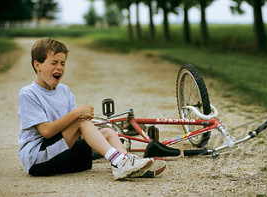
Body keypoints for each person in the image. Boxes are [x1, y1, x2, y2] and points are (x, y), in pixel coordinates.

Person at [17, 38, 166, 180]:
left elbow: (75, 131)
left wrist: (89, 129)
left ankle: (127, 162)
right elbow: (47, 132)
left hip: (61, 154)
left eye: (63, 63)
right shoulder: (29, 93)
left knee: (107, 132)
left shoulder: (65, 91)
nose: (60, 68)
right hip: (39, 159)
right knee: (80, 120)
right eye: (54, 63)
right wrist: (77, 114)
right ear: (38, 65)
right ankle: (118, 161)